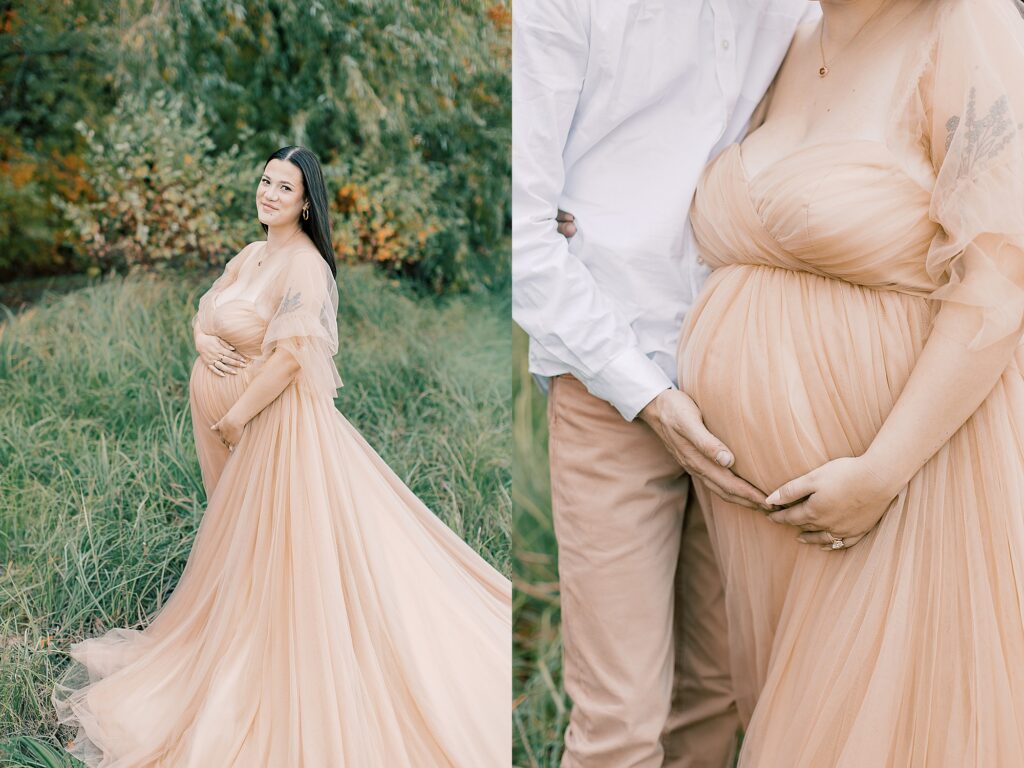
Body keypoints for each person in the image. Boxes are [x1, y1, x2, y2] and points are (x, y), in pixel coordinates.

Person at [52, 146, 512, 767]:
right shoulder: (253, 253)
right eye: (265, 181)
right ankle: (243, 631)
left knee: (283, 547)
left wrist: (238, 416)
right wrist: (201, 339)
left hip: (269, 427)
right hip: (223, 423)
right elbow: (206, 308)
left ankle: (280, 663)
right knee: (239, 540)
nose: (269, 193)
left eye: (284, 187)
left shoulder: (304, 266)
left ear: (306, 201)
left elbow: (295, 356)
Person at [676, 0, 1024, 763]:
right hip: (760, 510)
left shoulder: (964, 26)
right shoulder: (791, 40)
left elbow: (999, 281)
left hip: (902, 483)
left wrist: (879, 473)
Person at [512, 2, 817, 765]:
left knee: (718, 698)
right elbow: (520, 237)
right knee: (619, 722)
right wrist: (643, 391)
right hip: (609, 375)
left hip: (749, 375)